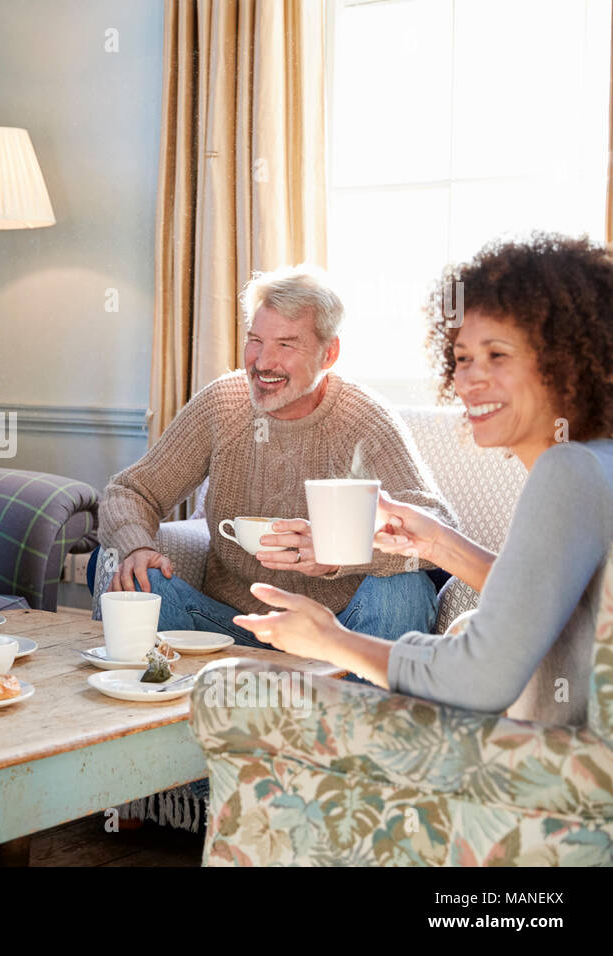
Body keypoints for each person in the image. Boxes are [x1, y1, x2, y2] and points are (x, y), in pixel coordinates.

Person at [235, 234, 613, 726]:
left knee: (239, 706)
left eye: (498, 355)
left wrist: (329, 639)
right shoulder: (593, 462)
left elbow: (479, 678)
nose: (471, 379)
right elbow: (554, 603)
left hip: (545, 778)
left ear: (566, 360)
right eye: (462, 358)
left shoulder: (567, 471)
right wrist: (437, 543)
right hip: (562, 766)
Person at [101, 264, 454, 646]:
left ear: (328, 353)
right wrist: (138, 546)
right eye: (255, 340)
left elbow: (437, 525)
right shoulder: (223, 404)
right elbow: (132, 490)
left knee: (406, 588)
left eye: (285, 344)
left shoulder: (365, 419)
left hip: (343, 637)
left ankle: (353, 704)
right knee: (139, 580)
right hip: (229, 627)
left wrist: (340, 557)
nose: (262, 362)